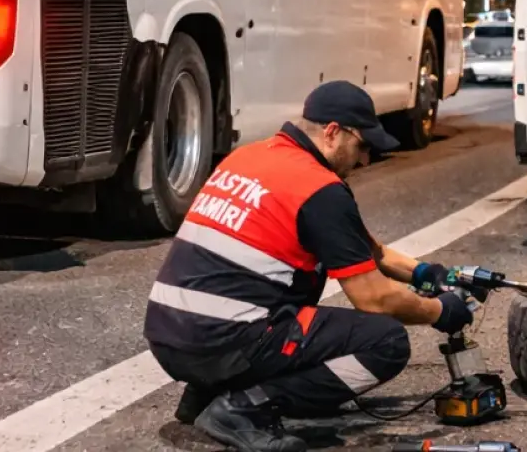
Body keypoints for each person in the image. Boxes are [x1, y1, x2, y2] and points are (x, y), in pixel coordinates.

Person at [142, 80, 480, 452]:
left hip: (169, 336)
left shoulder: (250, 157)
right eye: (362, 146)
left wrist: (426, 273)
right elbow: (375, 300)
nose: (365, 160)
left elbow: (370, 251)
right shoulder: (319, 190)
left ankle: (207, 391)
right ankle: (243, 408)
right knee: (386, 342)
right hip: (224, 342)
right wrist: (439, 311)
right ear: (333, 133)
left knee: (264, 297)